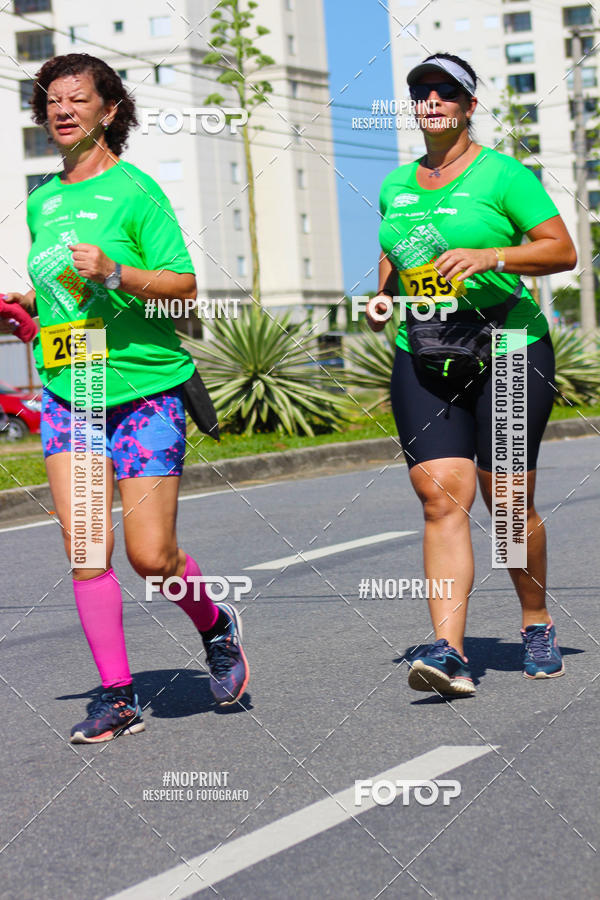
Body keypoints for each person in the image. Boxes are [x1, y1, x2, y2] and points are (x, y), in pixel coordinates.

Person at [5, 53, 249, 742]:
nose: (61, 110)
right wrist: (28, 305)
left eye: (77, 99)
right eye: (51, 100)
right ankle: (116, 696)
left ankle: (216, 624)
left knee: (151, 556)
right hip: (70, 388)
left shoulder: (137, 192)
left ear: (109, 111)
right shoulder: (44, 201)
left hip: (143, 389)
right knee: (86, 546)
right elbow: (62, 299)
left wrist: (115, 271)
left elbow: (182, 284)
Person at [367, 53, 577, 696]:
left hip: (508, 344)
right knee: (440, 495)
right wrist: (382, 298)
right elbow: (393, 251)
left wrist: (493, 253)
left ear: (468, 106)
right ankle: (448, 651)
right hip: (425, 347)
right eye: (421, 92)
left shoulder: (504, 175)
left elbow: (561, 250)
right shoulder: (396, 184)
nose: (431, 101)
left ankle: (535, 619)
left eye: (445, 93)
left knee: (508, 505)